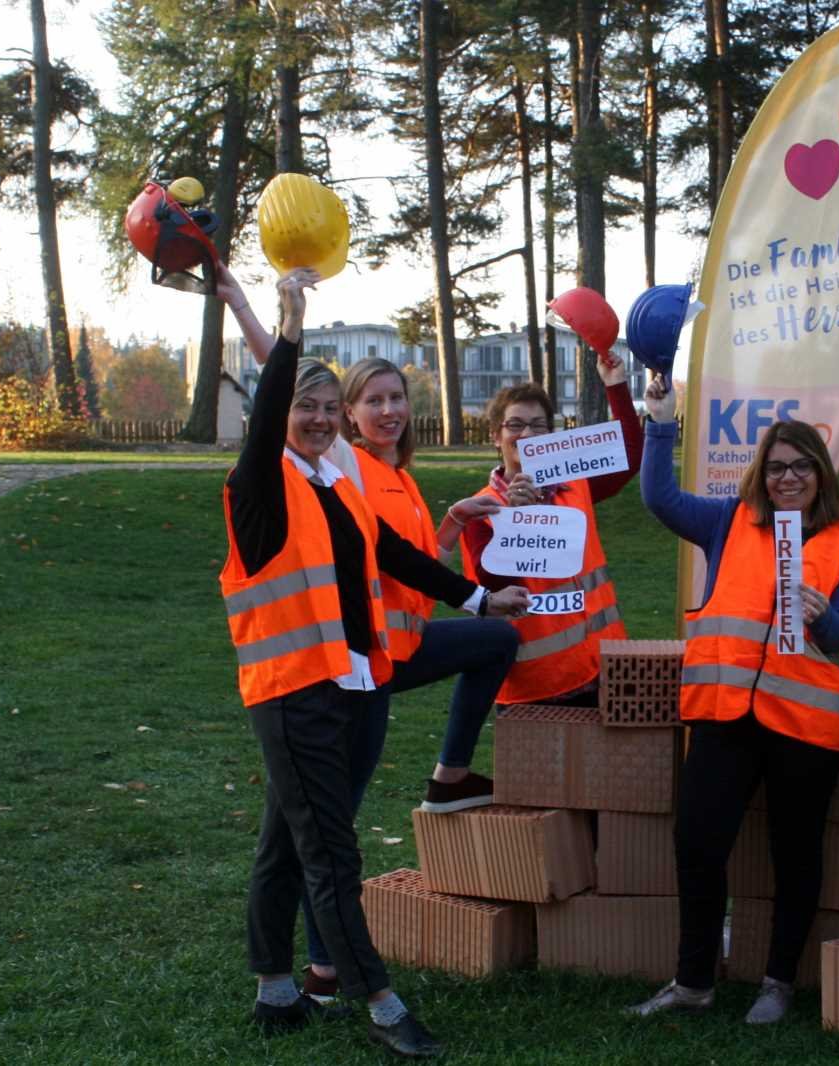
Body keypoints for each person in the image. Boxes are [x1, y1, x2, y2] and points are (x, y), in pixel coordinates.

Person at [218, 267, 527, 1059]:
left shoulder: (336, 483)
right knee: (331, 850)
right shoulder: (260, 485)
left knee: (286, 843)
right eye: (307, 409)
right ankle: (382, 1005)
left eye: (330, 409)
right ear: (278, 417)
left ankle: (274, 991)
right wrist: (287, 328)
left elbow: (395, 553)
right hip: (294, 694)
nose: (321, 420)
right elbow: (267, 418)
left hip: (352, 681)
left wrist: (477, 599)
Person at [628, 375, 839, 1025]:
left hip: (804, 725)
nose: (788, 478)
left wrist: (822, 617)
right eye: (776, 467)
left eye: (801, 467)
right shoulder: (727, 521)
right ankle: (693, 982)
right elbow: (659, 498)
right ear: (760, 474)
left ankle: (777, 982)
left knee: (795, 853)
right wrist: (661, 422)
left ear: (820, 474)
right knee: (698, 843)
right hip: (725, 715)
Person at [457, 353, 644, 706]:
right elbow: (491, 588)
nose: (527, 434)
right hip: (539, 684)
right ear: (496, 436)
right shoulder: (482, 509)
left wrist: (616, 385)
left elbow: (630, 455)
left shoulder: (575, 484)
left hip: (604, 663)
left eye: (538, 426)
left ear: (551, 435)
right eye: (515, 425)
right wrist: (516, 522)